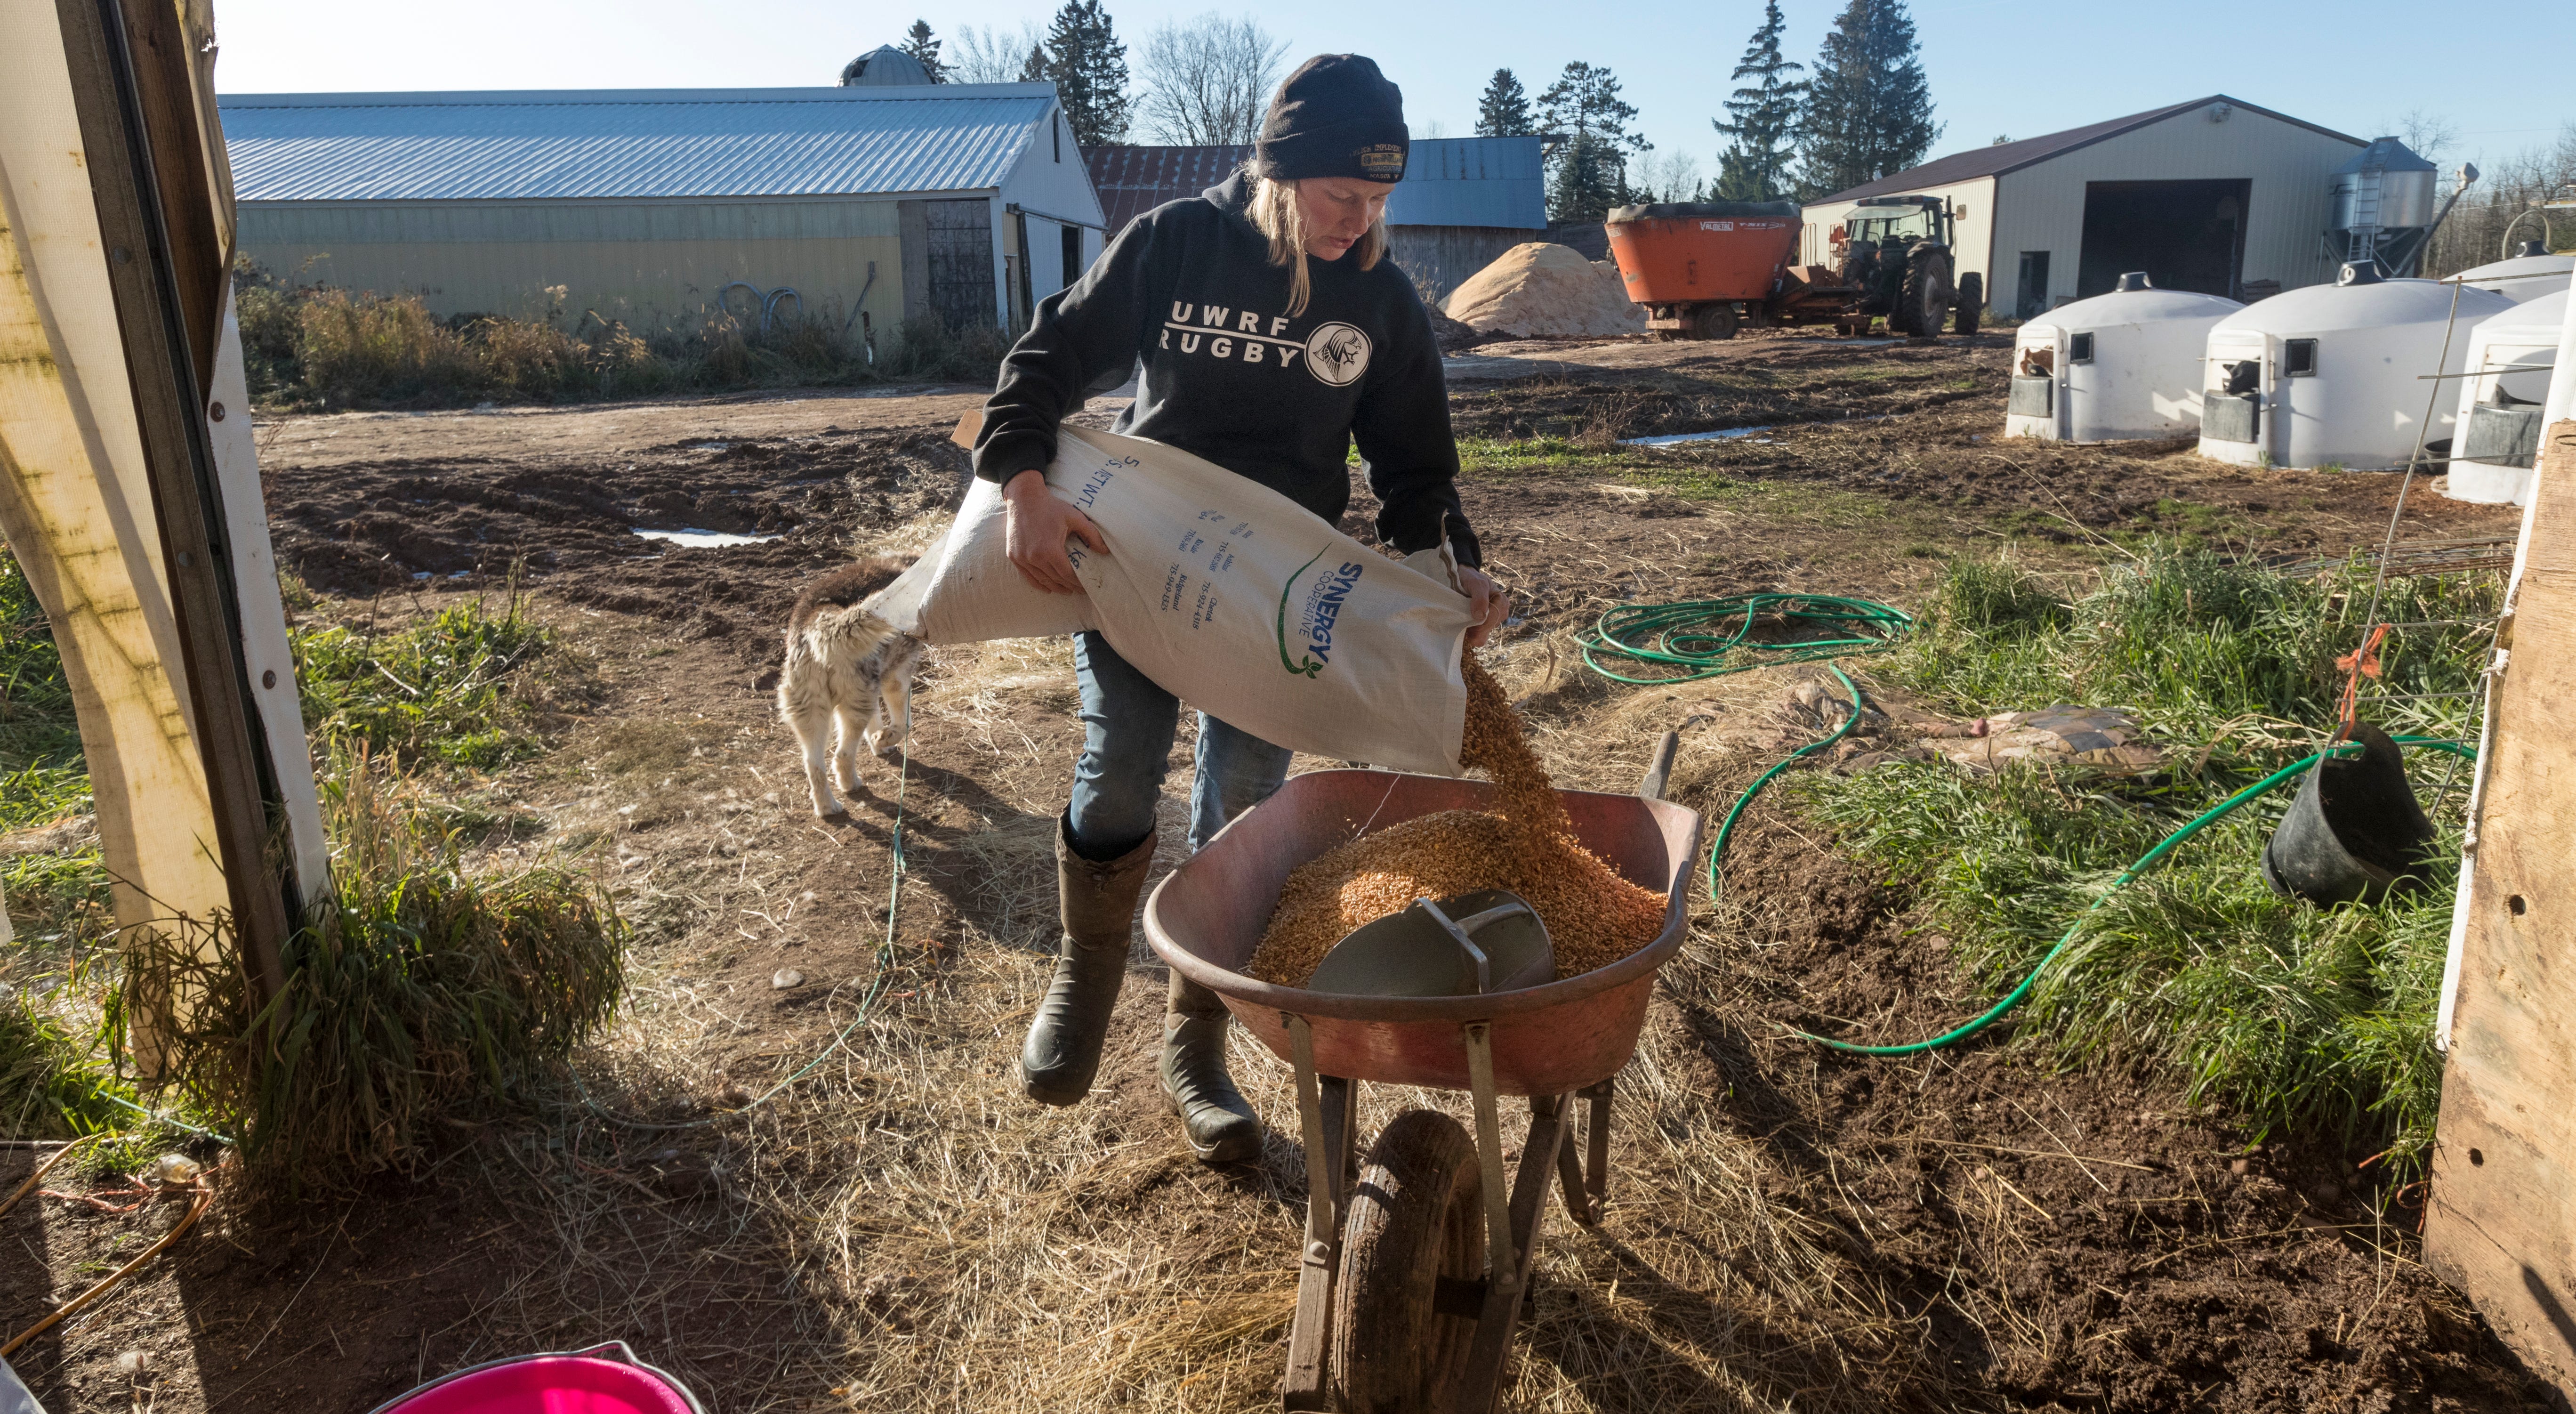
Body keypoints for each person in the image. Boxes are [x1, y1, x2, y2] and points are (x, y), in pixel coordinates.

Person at [970, 54, 1509, 1163]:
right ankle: (1084, 981)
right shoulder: (1178, 242)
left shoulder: (1379, 298)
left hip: (1276, 588)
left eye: (1377, 201)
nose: (1358, 221)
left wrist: (1446, 566)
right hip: (1141, 550)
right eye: (1339, 197)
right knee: (1122, 757)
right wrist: (1023, 486)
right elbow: (1051, 351)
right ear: (1278, 172)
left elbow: (1414, 470)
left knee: (1245, 800)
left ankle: (1195, 1036)